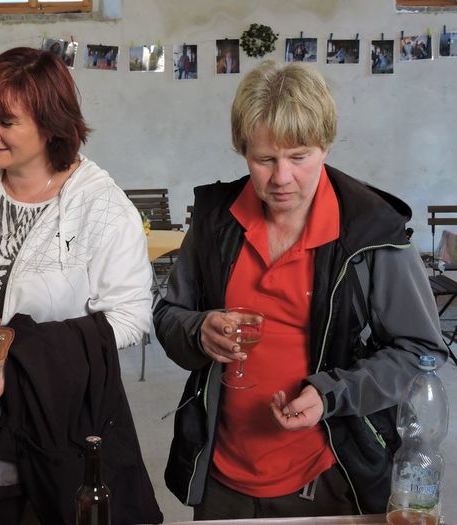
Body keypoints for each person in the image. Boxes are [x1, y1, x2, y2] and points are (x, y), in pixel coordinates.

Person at [154, 60, 447, 520]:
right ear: (243, 149)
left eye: (299, 157)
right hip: (222, 473)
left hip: (328, 471)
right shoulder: (215, 220)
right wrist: (198, 330)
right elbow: (169, 312)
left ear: (325, 146)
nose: (281, 178)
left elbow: (419, 351)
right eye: (264, 159)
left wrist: (332, 393)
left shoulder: (371, 231)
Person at [0, 47, 162, 525]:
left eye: (5, 122)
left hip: (55, 419)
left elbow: (131, 318)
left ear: (51, 124)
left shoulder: (102, 208)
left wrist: (23, 354)